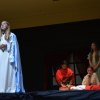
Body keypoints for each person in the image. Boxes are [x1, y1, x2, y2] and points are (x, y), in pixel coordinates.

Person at [0, 21, 25, 93]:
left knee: (9, 72)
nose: (1, 25)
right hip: (1, 57)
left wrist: (6, 46)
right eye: (1, 24)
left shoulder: (12, 35)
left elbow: (14, 47)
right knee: (2, 72)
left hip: (8, 57)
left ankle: (10, 89)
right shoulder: (1, 37)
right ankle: (2, 88)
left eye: (3, 24)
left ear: (8, 26)